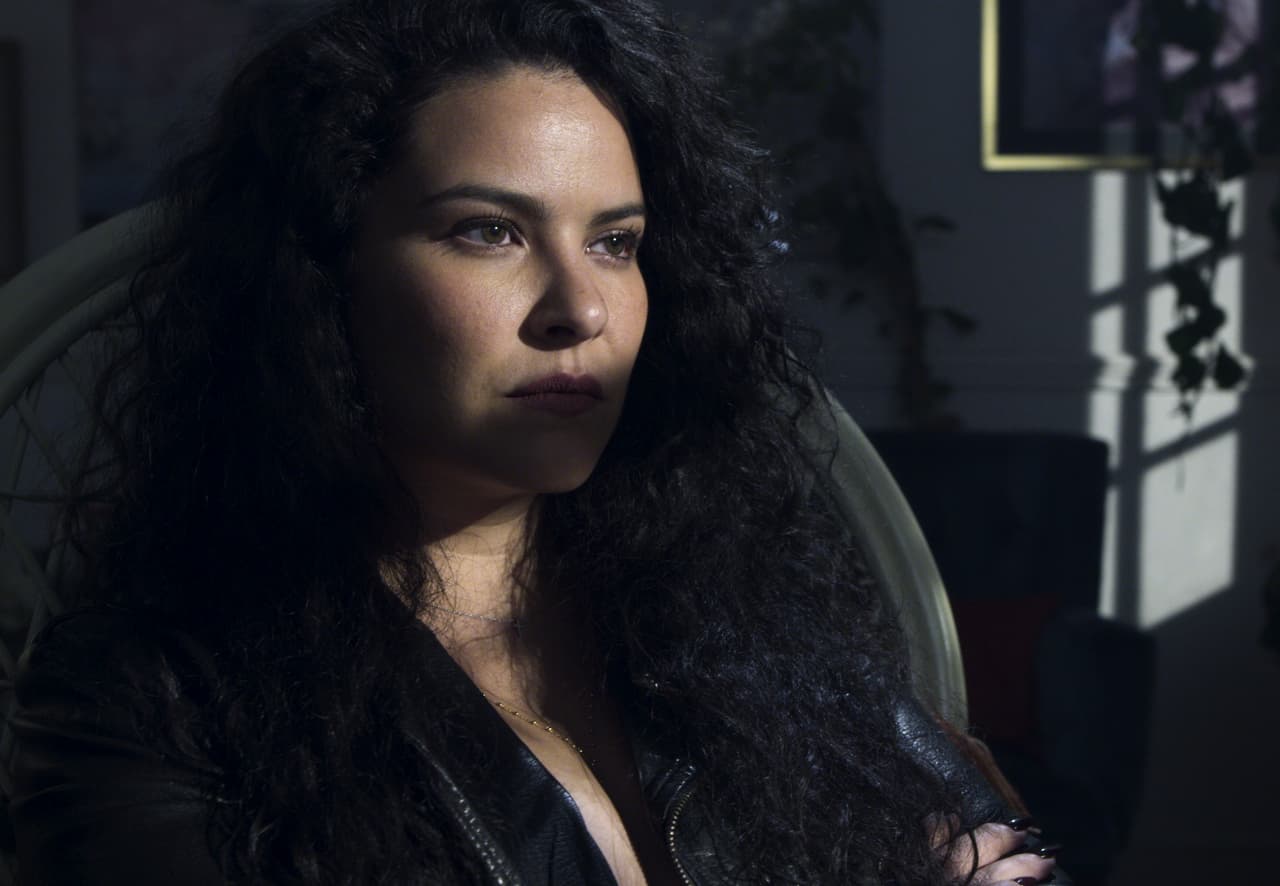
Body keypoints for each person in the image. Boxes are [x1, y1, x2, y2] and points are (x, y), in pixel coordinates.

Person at [6, 1, 1065, 883]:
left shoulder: (738, 613)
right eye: (489, 231)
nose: (580, 308)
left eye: (615, 242)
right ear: (320, 276)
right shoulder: (154, 699)